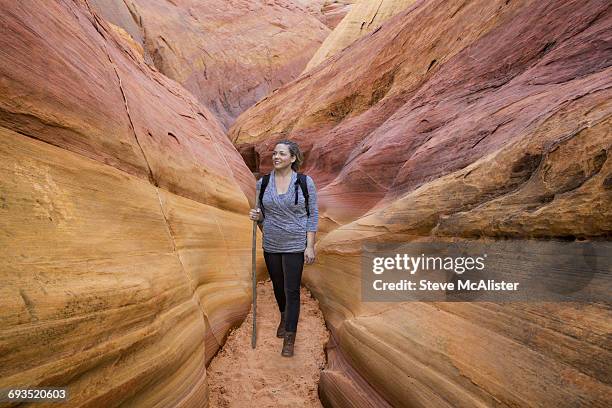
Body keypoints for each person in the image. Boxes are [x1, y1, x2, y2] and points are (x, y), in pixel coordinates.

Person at [248, 140, 318, 357]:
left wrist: (309, 246)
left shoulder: (305, 183)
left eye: (281, 154)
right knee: (278, 287)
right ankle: (283, 314)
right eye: (274, 153)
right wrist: (257, 217)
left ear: (293, 158)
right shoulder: (264, 182)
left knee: (292, 290)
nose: (276, 157)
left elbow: (312, 215)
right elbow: (262, 213)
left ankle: (289, 336)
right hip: (271, 243)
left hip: (295, 244)